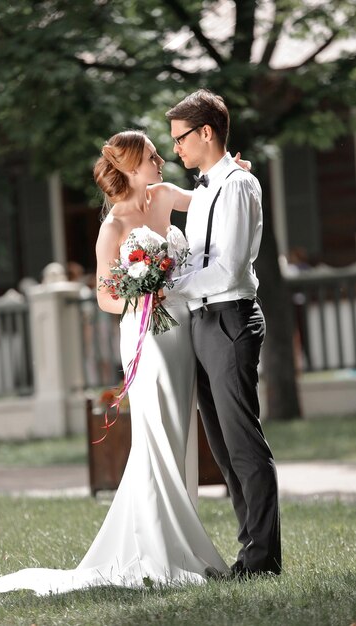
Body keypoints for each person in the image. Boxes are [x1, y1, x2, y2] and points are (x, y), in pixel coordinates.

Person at [0, 129, 252, 595]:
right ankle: (158, 551)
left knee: (179, 434)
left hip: (183, 332)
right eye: (153, 156)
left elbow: (210, 201)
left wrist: (236, 173)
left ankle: (181, 544)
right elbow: (103, 297)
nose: (161, 161)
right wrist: (141, 295)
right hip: (146, 336)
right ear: (132, 167)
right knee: (154, 435)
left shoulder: (166, 195)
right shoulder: (113, 226)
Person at [163, 89, 281, 578]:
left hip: (229, 318)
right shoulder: (209, 185)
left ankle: (262, 560)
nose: (177, 150)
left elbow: (228, 269)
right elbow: (198, 260)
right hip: (203, 322)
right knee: (222, 449)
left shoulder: (234, 185)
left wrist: (169, 285)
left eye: (181, 138)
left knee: (243, 445)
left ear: (206, 131)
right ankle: (248, 552)